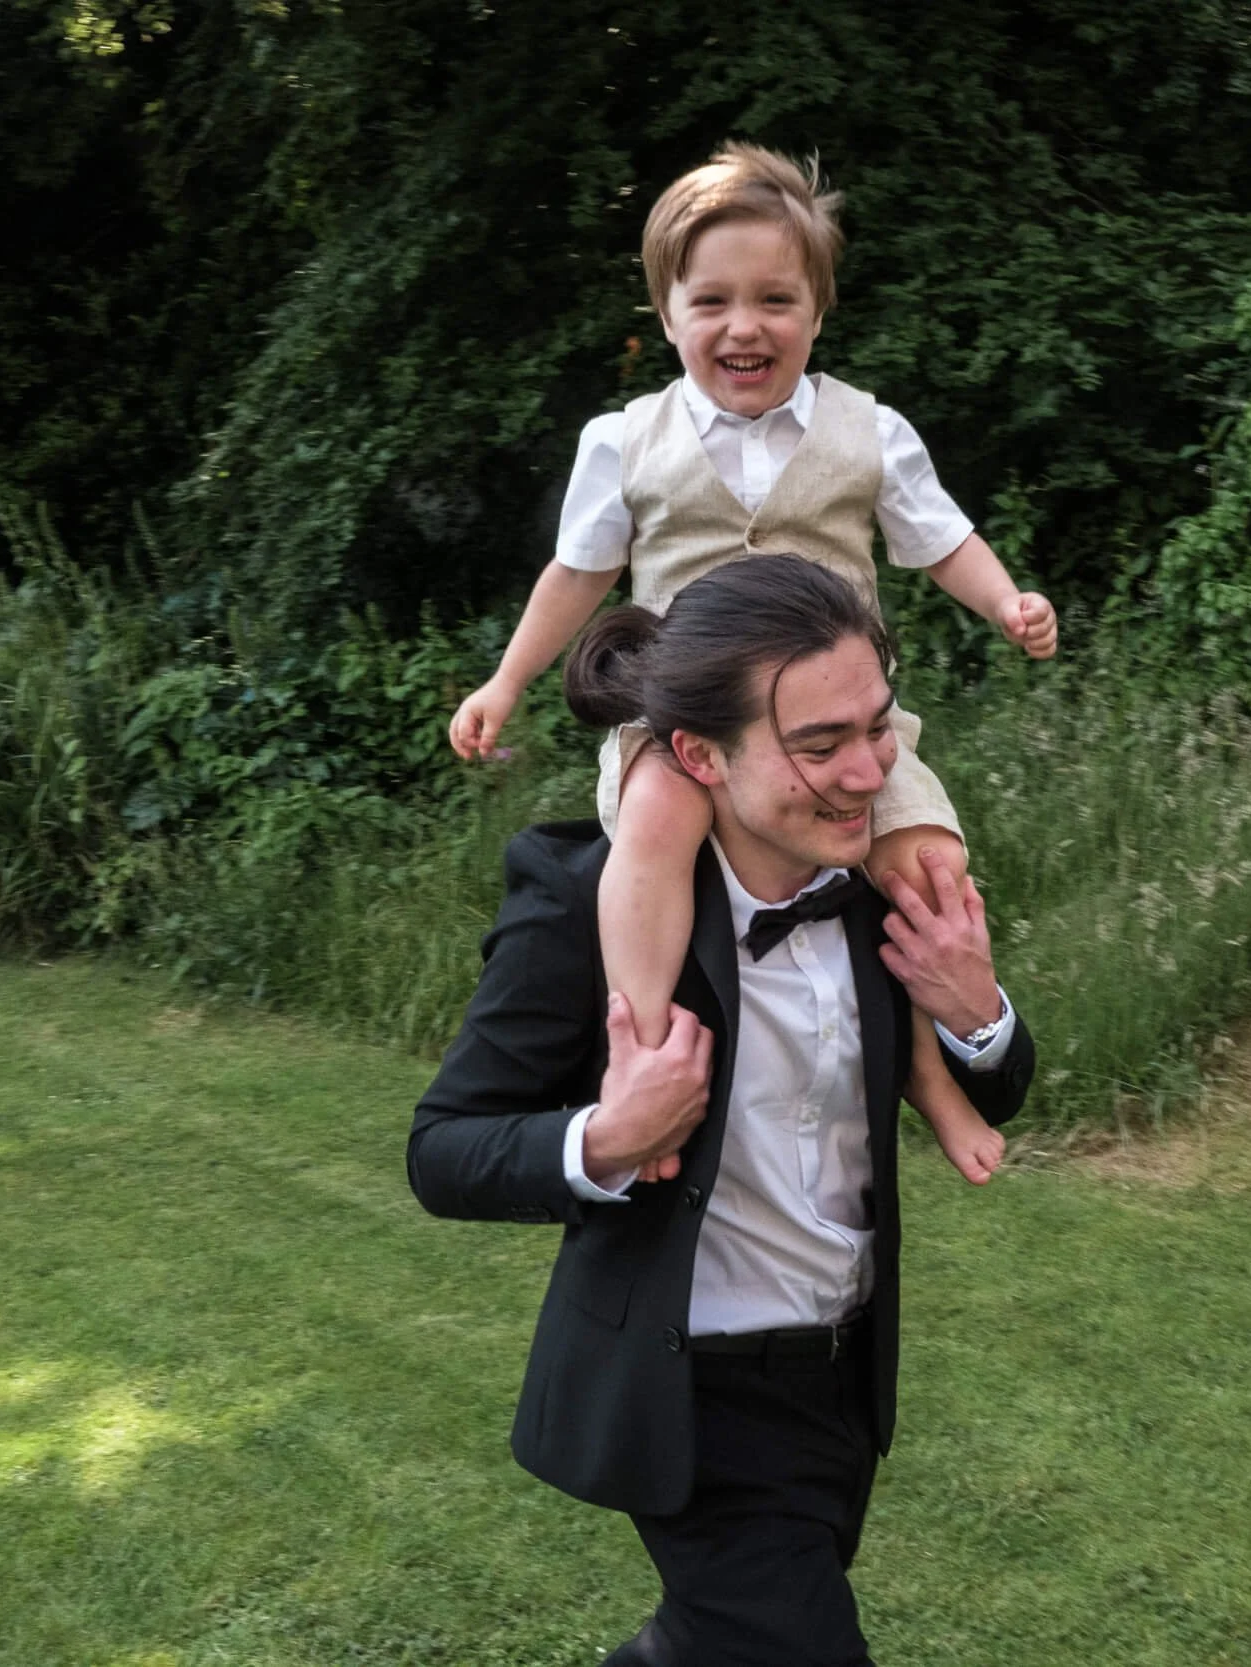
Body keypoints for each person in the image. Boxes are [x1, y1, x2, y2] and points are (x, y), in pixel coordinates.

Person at [411, 556, 1036, 1665]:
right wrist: (607, 1139)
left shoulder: (873, 887)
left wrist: (975, 1009)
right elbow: (443, 1149)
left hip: (841, 1374)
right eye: (819, 746)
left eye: (877, 728)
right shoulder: (586, 900)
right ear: (699, 755)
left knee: (712, 1643)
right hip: (688, 1387)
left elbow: (998, 1084)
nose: (866, 773)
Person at [445, 142, 1056, 1188]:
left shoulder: (869, 431)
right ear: (666, 313)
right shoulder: (626, 441)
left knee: (927, 873)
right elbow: (577, 573)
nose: (745, 326)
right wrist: (504, 682)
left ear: (818, 312)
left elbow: (940, 536)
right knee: (653, 823)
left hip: (841, 722)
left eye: (777, 299)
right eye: (713, 301)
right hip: (681, 716)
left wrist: (1006, 601)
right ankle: (642, 1054)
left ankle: (928, 1069)